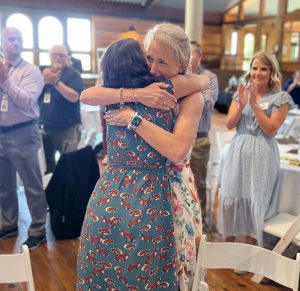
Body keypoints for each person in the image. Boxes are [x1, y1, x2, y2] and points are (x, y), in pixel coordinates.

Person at [78, 27, 209, 290]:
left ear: (181, 64)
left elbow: (176, 151)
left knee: (169, 269)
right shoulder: (134, 86)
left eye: (163, 61)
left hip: (168, 187)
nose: (153, 68)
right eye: (149, 58)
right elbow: (88, 94)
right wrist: (134, 95)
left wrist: (132, 118)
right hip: (121, 188)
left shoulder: (189, 96)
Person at [218, 52, 294, 250]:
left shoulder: (281, 98)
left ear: (272, 73)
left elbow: (270, 129)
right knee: (231, 194)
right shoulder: (241, 93)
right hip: (239, 149)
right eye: (254, 68)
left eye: (263, 69)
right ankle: (227, 248)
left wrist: (254, 105)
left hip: (262, 153)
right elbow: (229, 124)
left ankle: (248, 254)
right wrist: (242, 104)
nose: (257, 73)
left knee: (255, 198)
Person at [0, 27, 48, 250]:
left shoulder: (31, 71)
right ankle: (8, 224)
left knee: (32, 185)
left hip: (23, 133)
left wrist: (4, 82)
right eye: (11, 39)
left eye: (19, 39)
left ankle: (38, 228)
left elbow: (27, 101)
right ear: (3, 41)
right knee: (4, 185)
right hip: (1, 133)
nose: (15, 42)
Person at [39, 44, 84, 173]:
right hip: (45, 128)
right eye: (55, 54)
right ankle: (52, 192)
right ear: (49, 56)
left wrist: (56, 82)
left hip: (66, 128)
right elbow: (33, 96)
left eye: (61, 55)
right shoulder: (43, 73)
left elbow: (74, 97)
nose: (58, 58)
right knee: (47, 166)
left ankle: (71, 193)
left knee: (69, 165)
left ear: (67, 57)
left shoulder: (73, 74)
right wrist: (44, 81)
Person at [189, 40, 219, 224]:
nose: (188, 57)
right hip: (176, 137)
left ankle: (202, 226)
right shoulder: (177, 76)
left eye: (192, 53)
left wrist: (186, 86)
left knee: (198, 183)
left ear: (200, 56)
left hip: (199, 139)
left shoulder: (210, 78)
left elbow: (206, 103)